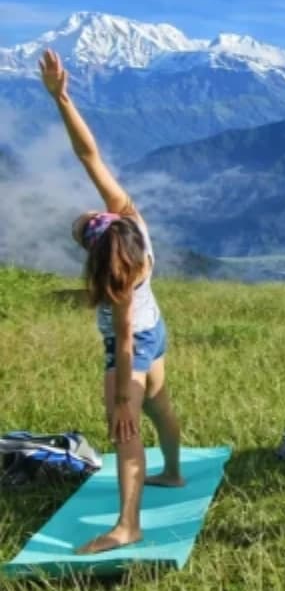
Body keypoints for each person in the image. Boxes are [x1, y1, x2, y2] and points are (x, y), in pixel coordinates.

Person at [39, 49, 185, 554]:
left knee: (125, 429)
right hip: (156, 327)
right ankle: (172, 472)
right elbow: (89, 155)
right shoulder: (129, 221)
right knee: (161, 407)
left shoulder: (120, 282)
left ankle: (128, 525)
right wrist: (62, 99)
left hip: (134, 344)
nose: (85, 216)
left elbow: (123, 341)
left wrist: (123, 398)